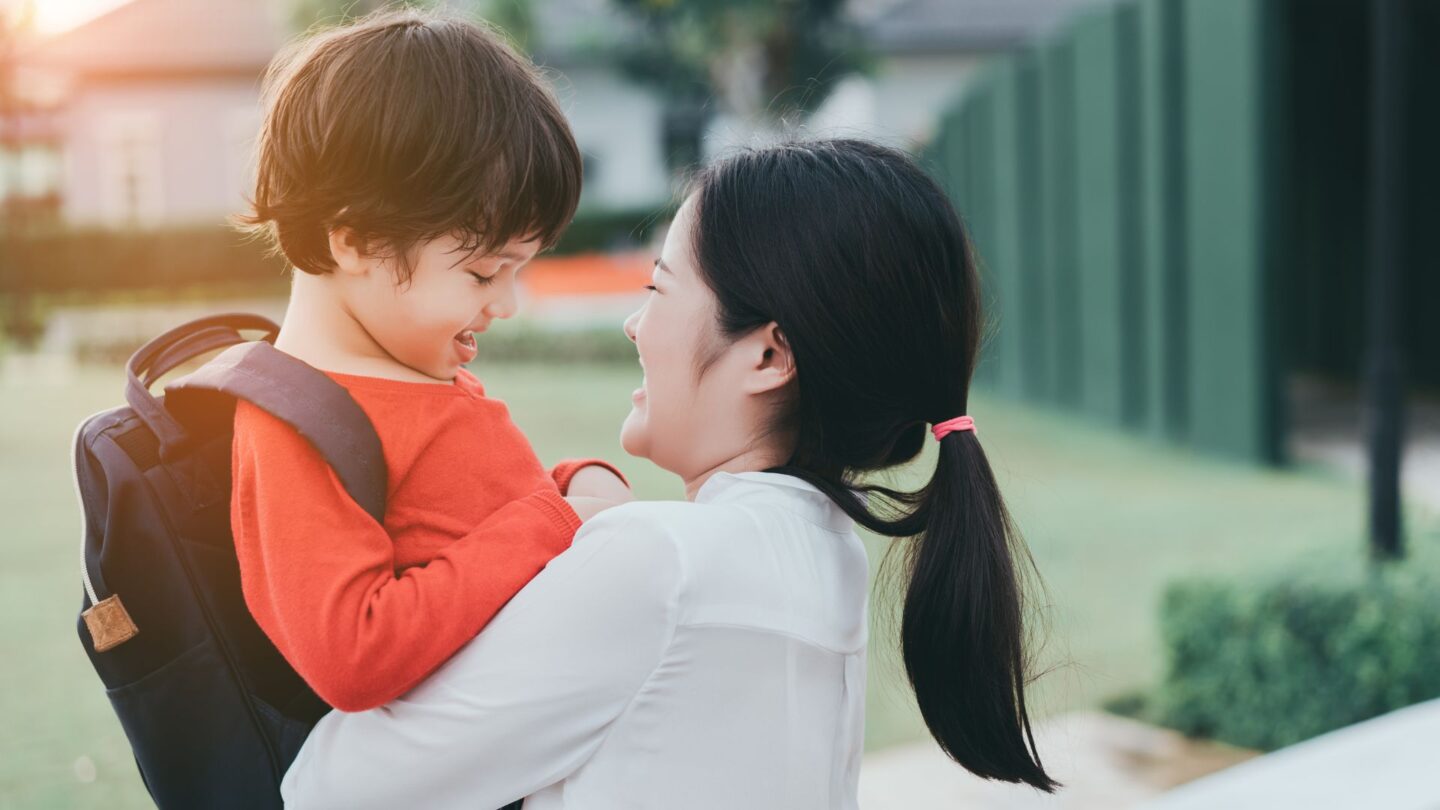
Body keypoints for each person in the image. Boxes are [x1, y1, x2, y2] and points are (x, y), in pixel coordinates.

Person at [282, 139, 1057, 808]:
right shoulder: (828, 555)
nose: (634, 321)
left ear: (767, 355)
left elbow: (330, 791)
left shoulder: (658, 563)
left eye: (658, 288)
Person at [229, 8, 630, 714]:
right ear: (356, 242)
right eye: (483, 273)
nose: (506, 304)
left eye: (520, 270)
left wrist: (570, 483)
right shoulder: (299, 424)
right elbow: (354, 654)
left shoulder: (409, 368)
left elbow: (470, 525)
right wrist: (553, 518)